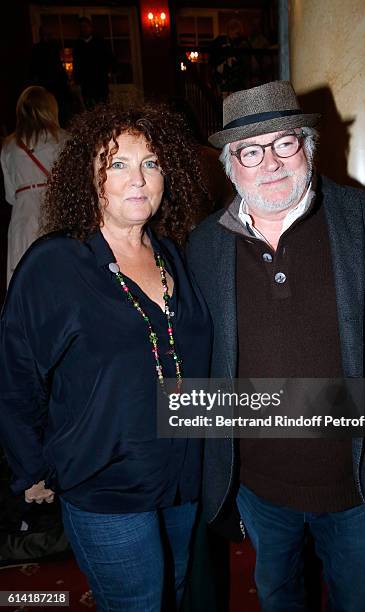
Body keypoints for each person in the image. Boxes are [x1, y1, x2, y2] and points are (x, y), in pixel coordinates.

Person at [186, 80, 365, 611]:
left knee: (361, 600)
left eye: (284, 142)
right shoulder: (204, 246)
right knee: (278, 597)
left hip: (357, 482)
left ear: (307, 146)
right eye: (250, 151)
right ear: (230, 165)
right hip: (259, 490)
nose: (270, 162)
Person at [0, 103, 211, 611]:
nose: (138, 178)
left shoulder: (174, 254)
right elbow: (16, 372)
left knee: (176, 592)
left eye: (152, 163)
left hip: (181, 474)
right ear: (88, 176)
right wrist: (29, 467)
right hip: (106, 484)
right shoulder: (54, 263)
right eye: (117, 163)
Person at [1, 86, 68, 286]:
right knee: (57, 270)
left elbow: (10, 195)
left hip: (23, 214)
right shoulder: (64, 140)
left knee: (23, 274)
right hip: (54, 208)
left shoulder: (9, 146)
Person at [73, 17, 114, 110]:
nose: (83, 29)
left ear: (90, 28)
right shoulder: (78, 44)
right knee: (89, 108)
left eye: (85, 26)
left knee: (103, 107)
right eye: (81, 27)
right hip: (86, 83)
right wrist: (77, 80)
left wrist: (109, 71)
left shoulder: (100, 42)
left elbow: (109, 57)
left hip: (100, 81)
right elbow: (76, 63)